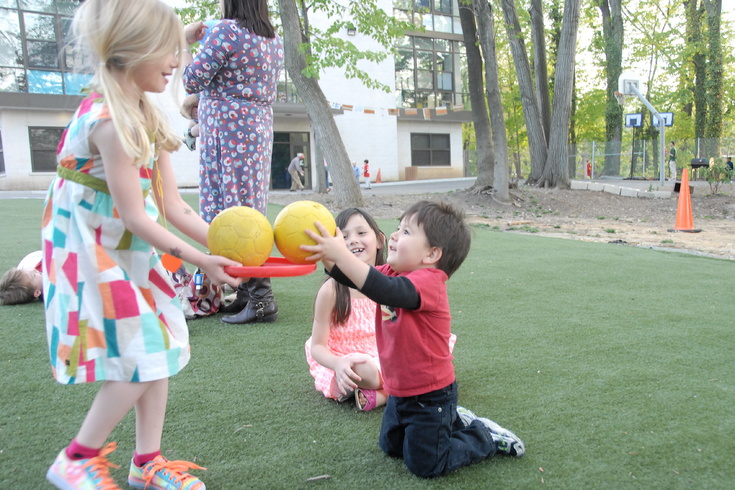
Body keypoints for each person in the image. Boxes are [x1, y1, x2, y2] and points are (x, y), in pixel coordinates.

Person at [42, 1, 243, 488]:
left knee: (162, 347)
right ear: (130, 51)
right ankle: (76, 457)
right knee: (143, 353)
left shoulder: (144, 113)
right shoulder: (110, 120)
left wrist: (229, 246)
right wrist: (201, 261)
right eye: (167, 51)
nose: (178, 62)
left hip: (125, 247)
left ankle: (146, 463)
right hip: (92, 253)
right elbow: (135, 214)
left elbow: (173, 206)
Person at [303, 201, 525, 478]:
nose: (394, 236)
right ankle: (453, 421)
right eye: (398, 228)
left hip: (430, 395)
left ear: (432, 254)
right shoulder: (392, 274)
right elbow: (349, 277)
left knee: (426, 465)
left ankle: (484, 437)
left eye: (406, 232)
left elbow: (386, 290)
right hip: (399, 389)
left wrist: (341, 253)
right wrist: (326, 254)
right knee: (391, 447)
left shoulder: (429, 282)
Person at [182, 0, 284, 325]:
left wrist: (183, 43)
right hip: (254, 127)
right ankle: (245, 293)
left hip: (227, 129)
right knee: (247, 205)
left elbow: (190, 79)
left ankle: (260, 298)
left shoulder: (227, 31)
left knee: (226, 210)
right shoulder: (272, 39)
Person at [305, 209, 388, 411]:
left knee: (428, 358)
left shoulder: (389, 282)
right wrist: (338, 364)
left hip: (385, 353)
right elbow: (317, 346)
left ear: (379, 240)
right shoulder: (332, 290)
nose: (353, 240)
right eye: (344, 237)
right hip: (344, 358)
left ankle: (383, 394)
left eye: (361, 233)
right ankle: (394, 391)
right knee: (360, 369)